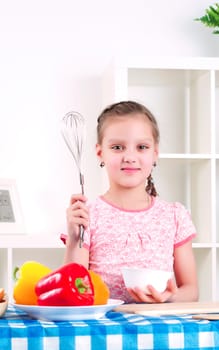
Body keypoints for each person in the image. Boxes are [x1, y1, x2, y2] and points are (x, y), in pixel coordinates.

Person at [62, 100, 199, 303]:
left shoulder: (174, 215)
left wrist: (168, 297)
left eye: (142, 147)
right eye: (117, 147)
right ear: (100, 153)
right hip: (104, 330)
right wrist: (74, 239)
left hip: (158, 328)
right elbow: (74, 287)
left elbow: (191, 290)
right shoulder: (87, 215)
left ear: (155, 153)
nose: (130, 156)